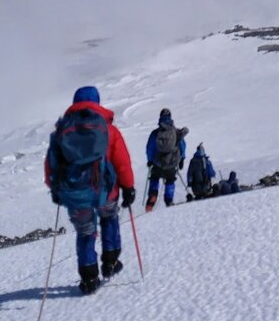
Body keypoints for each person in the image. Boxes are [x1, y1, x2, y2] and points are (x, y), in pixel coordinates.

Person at [45, 85, 135, 295]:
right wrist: (128, 187)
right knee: (109, 218)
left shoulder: (61, 132)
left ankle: (89, 278)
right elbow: (122, 163)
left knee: (85, 232)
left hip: (76, 194)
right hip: (106, 190)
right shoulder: (108, 130)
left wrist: (57, 190)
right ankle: (111, 262)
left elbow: (51, 165)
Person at [145, 108, 188, 210]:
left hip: (157, 162)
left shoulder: (155, 133)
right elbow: (182, 146)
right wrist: (182, 159)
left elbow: (149, 148)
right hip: (172, 163)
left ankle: (153, 194)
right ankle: (169, 200)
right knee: (170, 181)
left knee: (154, 178)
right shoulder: (176, 132)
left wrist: (150, 160)